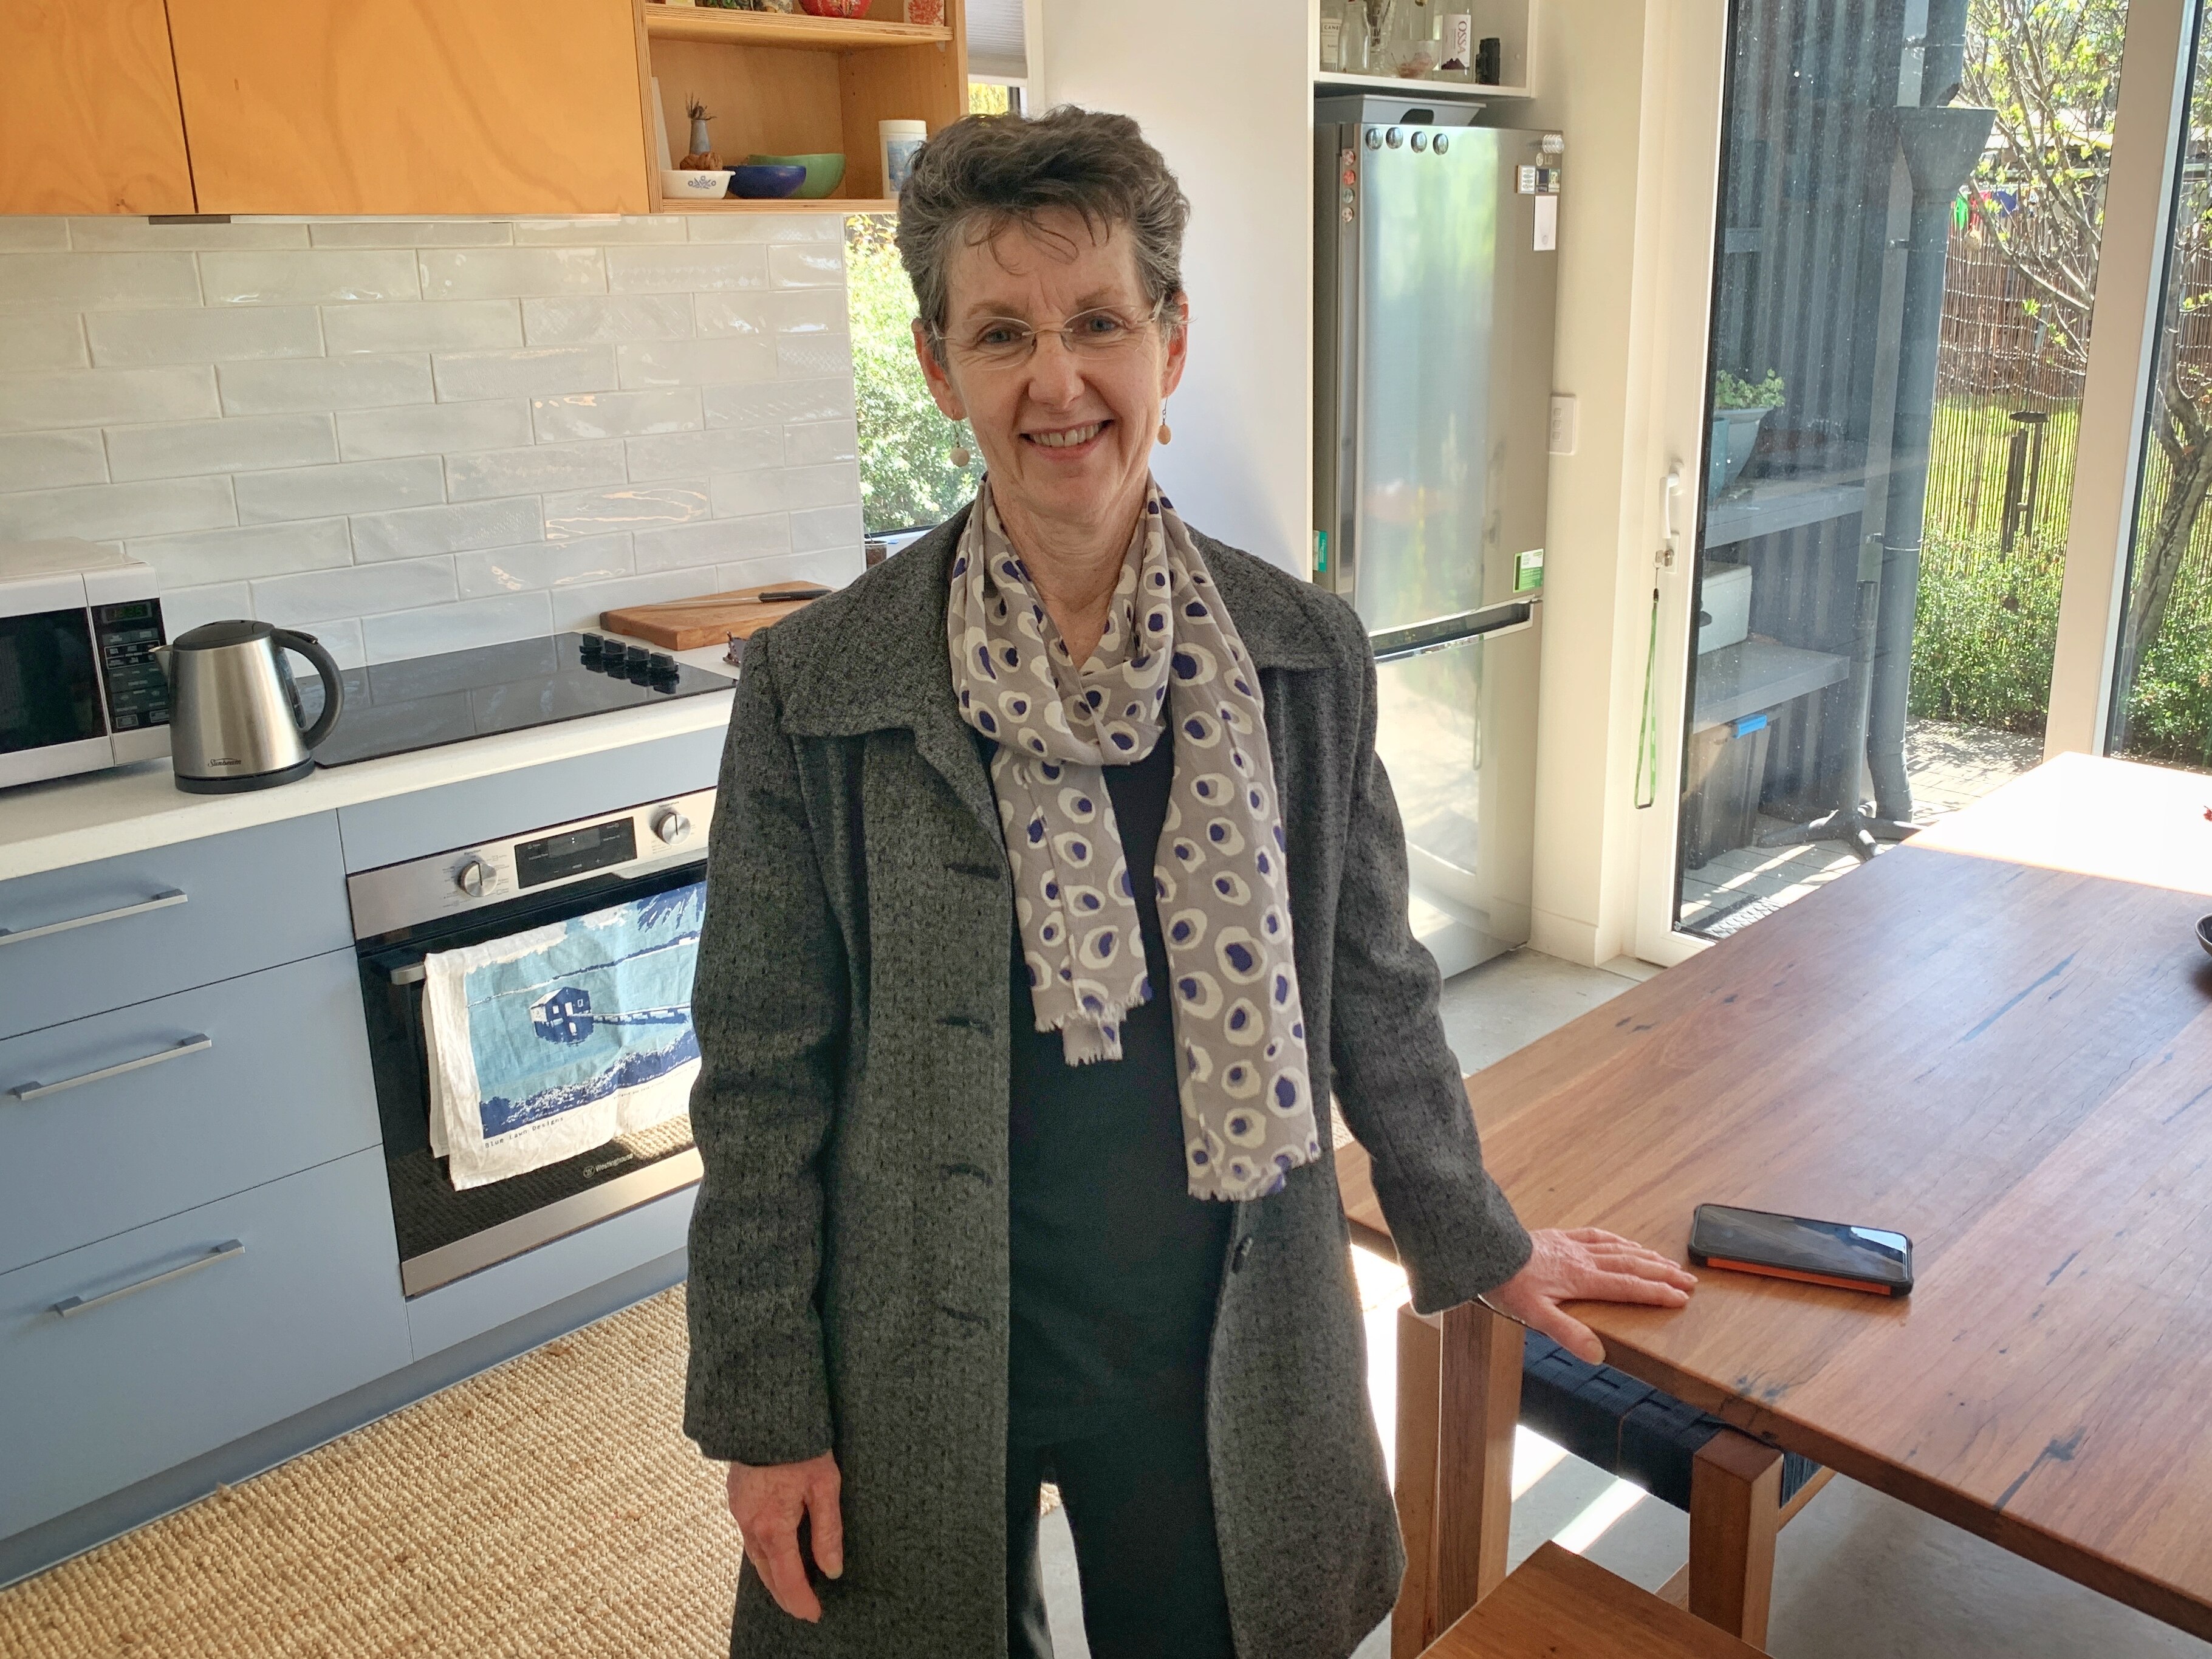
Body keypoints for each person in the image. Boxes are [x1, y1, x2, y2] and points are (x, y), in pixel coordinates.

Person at [682, 106, 1695, 1659]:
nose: (1057, 379)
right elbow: (761, 1079)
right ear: (940, 368)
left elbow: (1373, 984)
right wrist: (766, 1406)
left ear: (1170, 339)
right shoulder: (818, 690)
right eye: (1001, 332)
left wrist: (1473, 1228)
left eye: (1098, 321)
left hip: (1216, 1330)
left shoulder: (1299, 655)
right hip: (918, 1344)